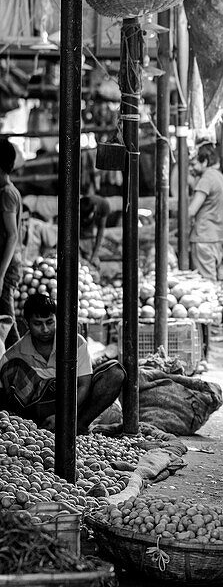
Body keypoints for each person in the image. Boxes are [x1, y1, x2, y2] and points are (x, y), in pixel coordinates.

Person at [0, 293, 125, 432]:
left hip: (73, 406)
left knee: (115, 372)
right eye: (37, 324)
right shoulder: (13, 356)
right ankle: (38, 429)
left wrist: (62, 416)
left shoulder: (75, 343)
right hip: (38, 413)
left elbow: (83, 385)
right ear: (26, 322)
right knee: (10, 369)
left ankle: (78, 426)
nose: (45, 329)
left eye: (49, 322)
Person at [189, 142, 223, 281]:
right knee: (212, 278)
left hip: (204, 236)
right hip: (216, 236)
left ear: (204, 161)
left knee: (206, 282)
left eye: (193, 164)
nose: (191, 168)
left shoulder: (206, 179)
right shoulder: (219, 176)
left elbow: (191, 210)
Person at [0, 139, 22, 347]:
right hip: (8, 264)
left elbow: (12, 236)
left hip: (8, 265)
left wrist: (0, 274)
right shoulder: (8, 191)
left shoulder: (7, 193)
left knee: (7, 316)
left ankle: (21, 362)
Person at [79, 192, 111, 269]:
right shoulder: (80, 205)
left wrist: (95, 254)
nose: (86, 220)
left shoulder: (104, 205)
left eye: (87, 218)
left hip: (88, 236)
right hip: (81, 232)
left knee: (93, 264)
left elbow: (100, 231)